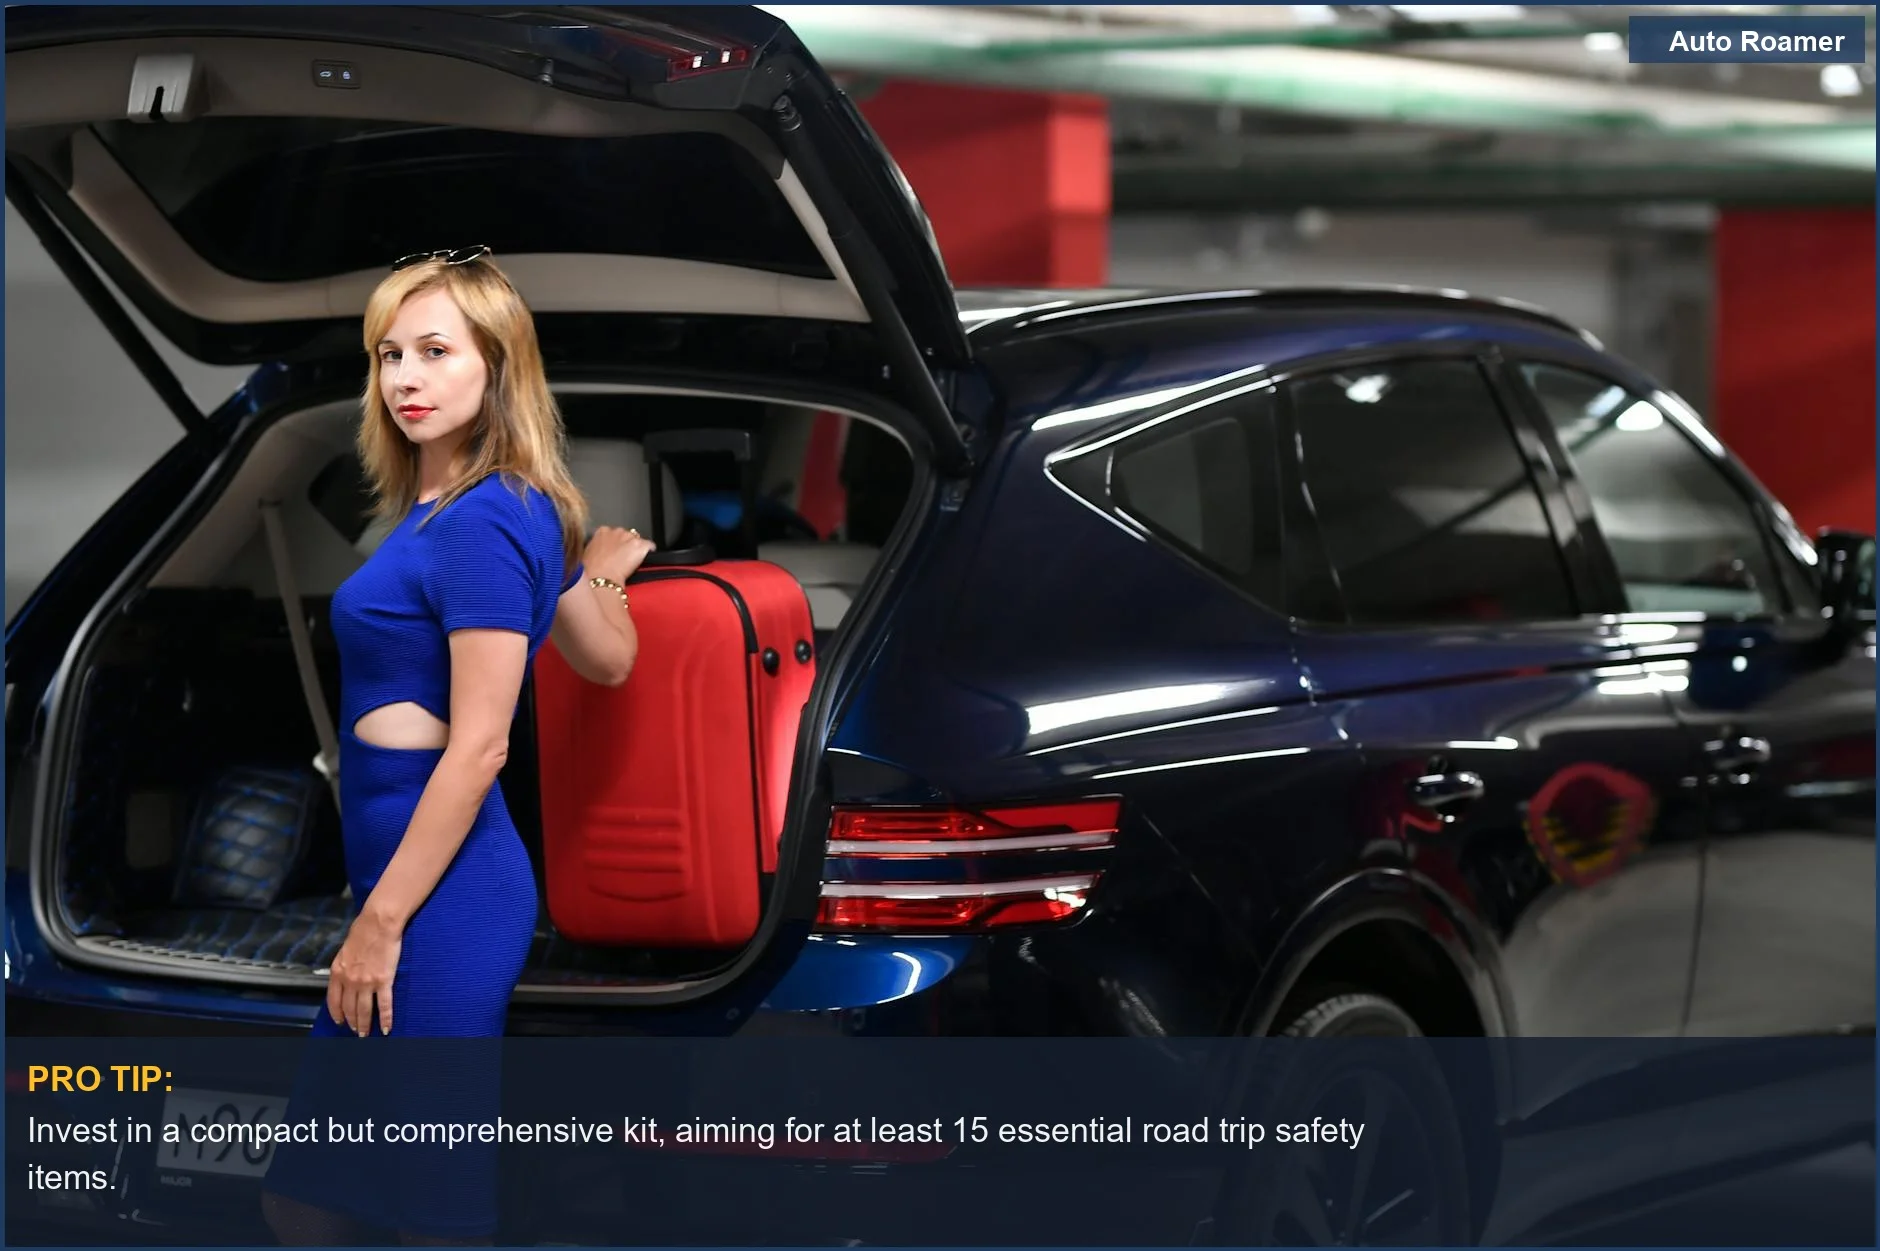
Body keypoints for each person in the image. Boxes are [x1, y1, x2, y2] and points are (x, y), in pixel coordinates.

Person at [259, 246, 654, 1245]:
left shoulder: (487, 520)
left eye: (436, 351)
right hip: (405, 887)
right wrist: (595, 570)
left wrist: (380, 923)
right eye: (389, 354)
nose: (405, 378)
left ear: (497, 366)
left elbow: (480, 749)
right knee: (308, 1197)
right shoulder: (459, 513)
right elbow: (607, 660)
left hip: (440, 902)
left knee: (434, 1211)